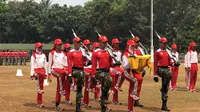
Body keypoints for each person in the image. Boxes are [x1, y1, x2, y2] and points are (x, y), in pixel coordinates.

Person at [92, 36, 113, 112]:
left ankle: (103, 108)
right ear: (99, 43)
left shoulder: (108, 51)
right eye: (104, 42)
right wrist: (93, 76)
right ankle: (103, 97)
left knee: (105, 89)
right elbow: (94, 65)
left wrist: (115, 63)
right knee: (109, 79)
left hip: (107, 71)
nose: (105, 44)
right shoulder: (95, 52)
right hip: (99, 72)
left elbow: (110, 63)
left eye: (106, 42)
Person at [67, 37, 87, 112]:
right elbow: (69, 64)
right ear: (74, 43)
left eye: (80, 42)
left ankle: (78, 108)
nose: (79, 44)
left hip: (81, 70)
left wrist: (87, 61)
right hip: (74, 70)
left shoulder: (82, 51)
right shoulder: (70, 52)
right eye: (78, 42)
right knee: (80, 74)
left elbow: (84, 62)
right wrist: (69, 74)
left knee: (79, 90)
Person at [48, 38, 68, 110]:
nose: (60, 46)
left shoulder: (63, 53)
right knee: (60, 75)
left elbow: (66, 63)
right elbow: (49, 63)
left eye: (61, 44)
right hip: (54, 69)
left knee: (59, 87)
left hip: (62, 70)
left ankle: (57, 104)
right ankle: (63, 90)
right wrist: (49, 74)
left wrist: (67, 69)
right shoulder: (52, 53)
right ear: (55, 45)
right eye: (59, 44)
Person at [154, 37, 172, 111]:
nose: (165, 44)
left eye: (166, 43)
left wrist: (174, 64)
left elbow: (170, 62)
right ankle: (163, 88)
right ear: (160, 43)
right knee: (169, 74)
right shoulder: (157, 52)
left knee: (166, 89)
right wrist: (155, 74)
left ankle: (164, 105)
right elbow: (155, 63)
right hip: (160, 69)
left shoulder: (167, 52)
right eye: (164, 43)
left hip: (166, 68)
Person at [122, 40, 139, 112]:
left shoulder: (134, 53)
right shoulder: (125, 55)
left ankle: (130, 109)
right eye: (131, 46)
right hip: (127, 72)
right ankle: (134, 94)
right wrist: (130, 61)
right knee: (135, 81)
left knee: (132, 87)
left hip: (133, 71)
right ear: (128, 46)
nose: (133, 47)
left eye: (133, 46)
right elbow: (125, 66)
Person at [30, 42, 47, 108]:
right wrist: (32, 74)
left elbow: (45, 64)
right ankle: (39, 102)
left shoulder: (44, 55)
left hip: (42, 71)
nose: (40, 48)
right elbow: (32, 65)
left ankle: (39, 102)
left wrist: (46, 73)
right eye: (39, 47)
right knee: (40, 86)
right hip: (36, 70)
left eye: (41, 47)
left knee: (41, 87)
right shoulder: (33, 55)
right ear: (36, 48)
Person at [109, 38, 124, 105]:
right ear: (113, 44)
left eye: (118, 43)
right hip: (113, 67)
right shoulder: (110, 51)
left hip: (118, 67)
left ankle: (115, 100)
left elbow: (120, 60)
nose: (118, 44)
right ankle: (106, 98)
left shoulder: (120, 52)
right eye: (116, 43)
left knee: (116, 85)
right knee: (112, 84)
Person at [132, 37, 145, 107]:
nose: (137, 43)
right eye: (136, 42)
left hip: (139, 71)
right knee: (134, 86)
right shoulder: (131, 51)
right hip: (133, 71)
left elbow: (142, 61)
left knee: (139, 86)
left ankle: (136, 100)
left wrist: (142, 69)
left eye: (138, 42)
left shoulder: (140, 50)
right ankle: (132, 100)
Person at [82, 39, 93, 108]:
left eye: (89, 44)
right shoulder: (81, 53)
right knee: (85, 87)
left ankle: (85, 102)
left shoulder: (91, 53)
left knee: (87, 88)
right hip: (84, 69)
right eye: (87, 44)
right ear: (84, 45)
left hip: (91, 70)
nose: (88, 46)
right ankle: (84, 102)